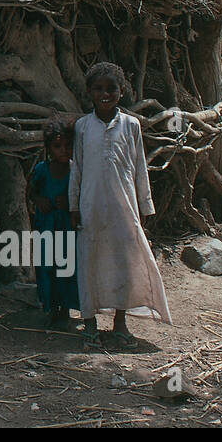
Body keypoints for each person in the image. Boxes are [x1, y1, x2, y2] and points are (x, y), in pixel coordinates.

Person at [70, 61, 172, 349]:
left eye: (111, 88)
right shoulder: (82, 127)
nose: (105, 94)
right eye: (98, 89)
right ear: (89, 92)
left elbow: (140, 167)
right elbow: (76, 168)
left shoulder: (131, 126)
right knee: (90, 261)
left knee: (124, 263)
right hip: (90, 207)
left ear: (122, 91)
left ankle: (120, 323)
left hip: (124, 208)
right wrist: (73, 206)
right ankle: (89, 323)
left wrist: (145, 207)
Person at [30, 116, 80, 328]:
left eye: (68, 146)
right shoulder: (42, 169)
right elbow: (31, 192)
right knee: (46, 267)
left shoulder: (76, 171)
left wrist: (69, 202)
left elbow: (82, 196)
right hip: (46, 226)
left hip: (67, 227)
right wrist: (40, 200)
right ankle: (50, 307)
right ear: (49, 148)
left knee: (66, 268)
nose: (63, 150)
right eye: (58, 146)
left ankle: (65, 310)